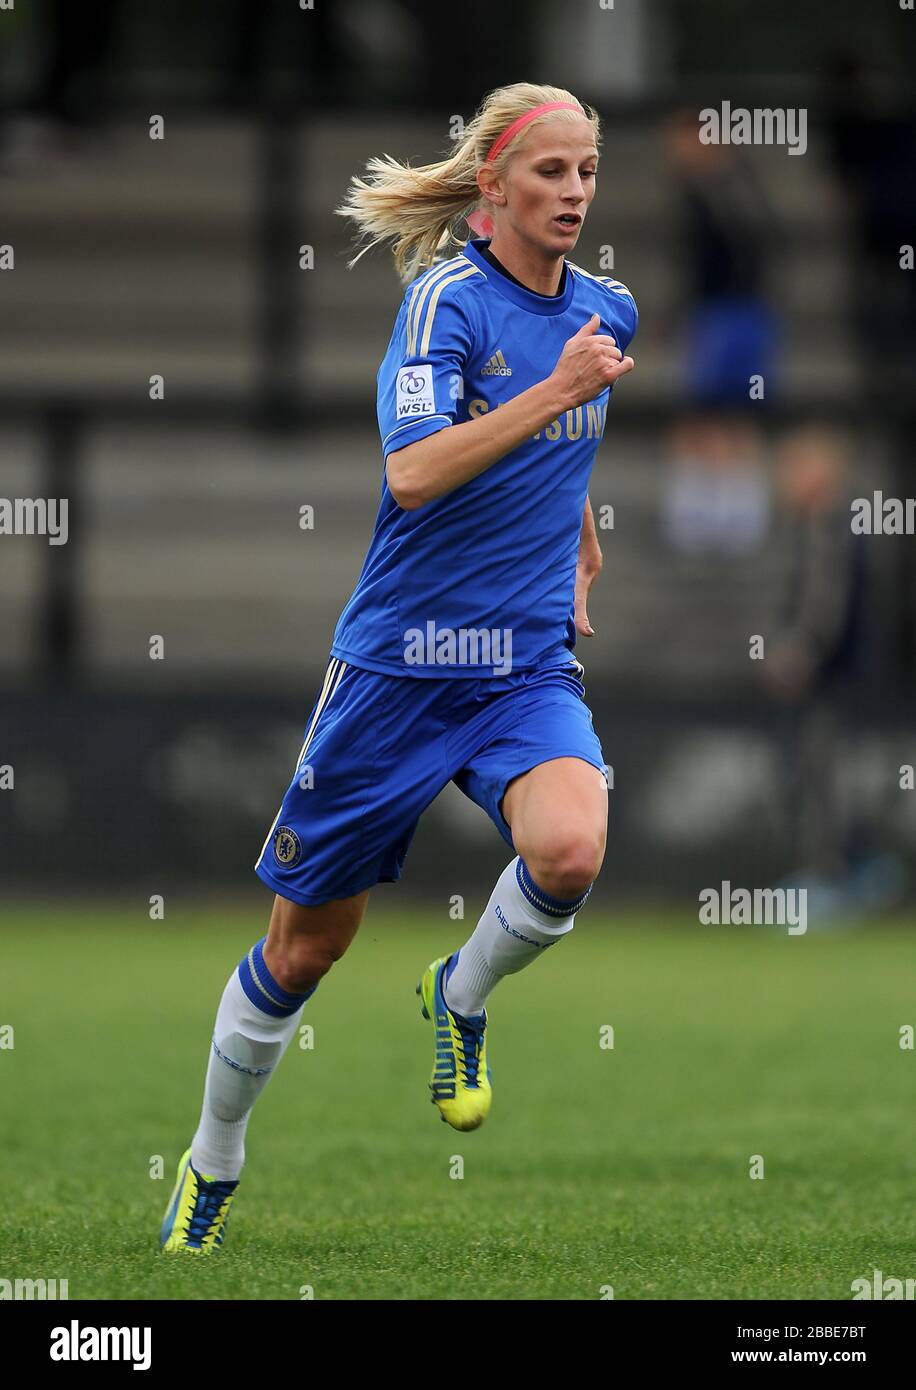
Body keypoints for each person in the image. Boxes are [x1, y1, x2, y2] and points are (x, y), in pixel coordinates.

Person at [160, 81, 637, 1254]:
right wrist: (556, 393)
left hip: (522, 664)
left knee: (571, 847)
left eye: (586, 171)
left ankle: (459, 995)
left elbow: (566, 451)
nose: (574, 192)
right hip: (400, 667)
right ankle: (212, 1160)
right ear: (495, 186)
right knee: (305, 945)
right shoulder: (443, 306)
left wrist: (579, 535)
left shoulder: (609, 309)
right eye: (550, 173)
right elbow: (417, 473)